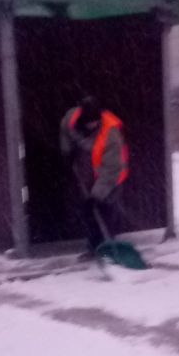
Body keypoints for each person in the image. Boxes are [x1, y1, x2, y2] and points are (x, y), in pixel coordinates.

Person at [59, 95, 129, 254]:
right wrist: (67, 151)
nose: (93, 125)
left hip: (112, 174)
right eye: (90, 122)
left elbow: (112, 170)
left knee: (106, 209)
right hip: (89, 170)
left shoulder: (111, 133)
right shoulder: (72, 119)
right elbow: (65, 128)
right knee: (89, 213)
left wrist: (96, 196)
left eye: (96, 122)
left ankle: (108, 247)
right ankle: (94, 246)